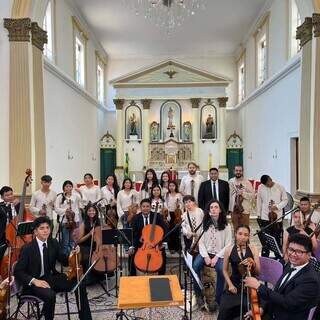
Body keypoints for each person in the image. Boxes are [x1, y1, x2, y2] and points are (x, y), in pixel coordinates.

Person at [14, 216, 92, 320]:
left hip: (49, 278)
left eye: (47, 227)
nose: (45, 230)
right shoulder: (28, 248)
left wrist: (72, 253)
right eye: (42, 228)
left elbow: (64, 261)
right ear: (35, 232)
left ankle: (85, 318)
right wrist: (34, 281)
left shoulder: (53, 243)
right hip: (34, 283)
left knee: (79, 283)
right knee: (50, 295)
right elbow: (18, 271)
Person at [244, 233, 320, 320]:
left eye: (299, 252)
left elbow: (287, 302)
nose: (293, 254)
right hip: (274, 311)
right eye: (291, 249)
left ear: (309, 255)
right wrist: (262, 309)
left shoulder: (311, 280)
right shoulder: (290, 265)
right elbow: (277, 291)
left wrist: (259, 286)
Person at [193, 200, 232, 311]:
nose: (214, 209)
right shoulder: (205, 224)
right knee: (195, 267)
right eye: (211, 207)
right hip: (206, 252)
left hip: (220, 254)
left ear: (220, 210)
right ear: (209, 210)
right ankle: (199, 295)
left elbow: (229, 244)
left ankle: (217, 300)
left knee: (221, 270)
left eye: (216, 207)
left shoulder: (226, 226)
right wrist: (205, 256)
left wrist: (216, 257)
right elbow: (200, 242)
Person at [218, 225, 260, 320]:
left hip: (250, 286)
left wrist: (253, 263)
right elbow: (224, 270)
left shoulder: (253, 248)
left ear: (249, 236)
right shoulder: (228, 249)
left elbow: (258, 272)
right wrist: (230, 285)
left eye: (246, 235)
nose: (242, 237)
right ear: (235, 234)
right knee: (224, 308)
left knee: (247, 308)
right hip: (234, 284)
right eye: (240, 234)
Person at [128, 199, 168, 276]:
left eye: (147, 206)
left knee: (162, 253)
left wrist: (164, 242)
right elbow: (132, 233)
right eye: (143, 206)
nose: (145, 208)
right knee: (132, 254)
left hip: (155, 243)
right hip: (141, 243)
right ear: (140, 207)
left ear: (150, 207)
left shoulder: (157, 216)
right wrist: (131, 246)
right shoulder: (136, 218)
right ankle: (132, 276)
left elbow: (165, 229)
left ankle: (162, 276)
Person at [256, 174, 288, 257]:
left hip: (277, 218)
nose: (267, 186)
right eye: (265, 185)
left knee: (276, 238)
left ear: (270, 179)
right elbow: (259, 201)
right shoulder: (260, 187)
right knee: (265, 239)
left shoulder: (280, 187)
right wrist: (258, 214)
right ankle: (265, 258)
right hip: (264, 216)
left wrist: (277, 206)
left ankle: (278, 257)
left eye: (268, 183)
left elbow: (285, 200)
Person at [55, 181, 81, 255]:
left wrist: (80, 192)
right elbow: (56, 209)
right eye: (66, 186)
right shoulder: (60, 197)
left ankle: (72, 258)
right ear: (63, 188)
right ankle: (65, 259)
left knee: (72, 241)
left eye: (70, 186)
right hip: (64, 221)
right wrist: (65, 211)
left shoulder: (76, 196)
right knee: (65, 242)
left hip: (75, 221)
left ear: (72, 187)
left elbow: (83, 202)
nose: (68, 188)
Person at [228, 165, 254, 230]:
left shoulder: (247, 182)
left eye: (240, 171)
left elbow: (252, 196)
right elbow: (229, 195)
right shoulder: (230, 181)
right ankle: (236, 240)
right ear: (234, 171)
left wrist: (243, 193)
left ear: (242, 172)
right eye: (236, 170)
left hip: (244, 210)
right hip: (234, 210)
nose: (238, 172)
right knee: (235, 229)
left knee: (245, 230)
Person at [78, 204, 100, 273]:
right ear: (86, 212)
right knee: (87, 259)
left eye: (93, 210)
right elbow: (79, 240)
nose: (91, 212)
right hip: (86, 246)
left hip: (96, 246)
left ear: (96, 212)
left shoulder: (98, 222)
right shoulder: (83, 224)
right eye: (89, 211)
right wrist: (89, 234)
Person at [0, 186, 20, 260]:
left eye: (11, 194)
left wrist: (19, 205)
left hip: (16, 233)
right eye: (7, 195)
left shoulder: (18, 204)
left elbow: (23, 215)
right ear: (2, 197)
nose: (10, 196)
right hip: (3, 235)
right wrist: (9, 206)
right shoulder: (1, 206)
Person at [165, 181, 183, 253]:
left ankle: (178, 248)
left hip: (177, 214)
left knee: (177, 231)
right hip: (169, 214)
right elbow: (165, 204)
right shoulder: (167, 194)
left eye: (173, 185)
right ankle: (171, 248)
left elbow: (182, 204)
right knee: (170, 231)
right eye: (170, 186)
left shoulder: (179, 195)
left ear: (175, 186)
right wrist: (167, 214)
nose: (171, 187)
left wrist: (179, 209)